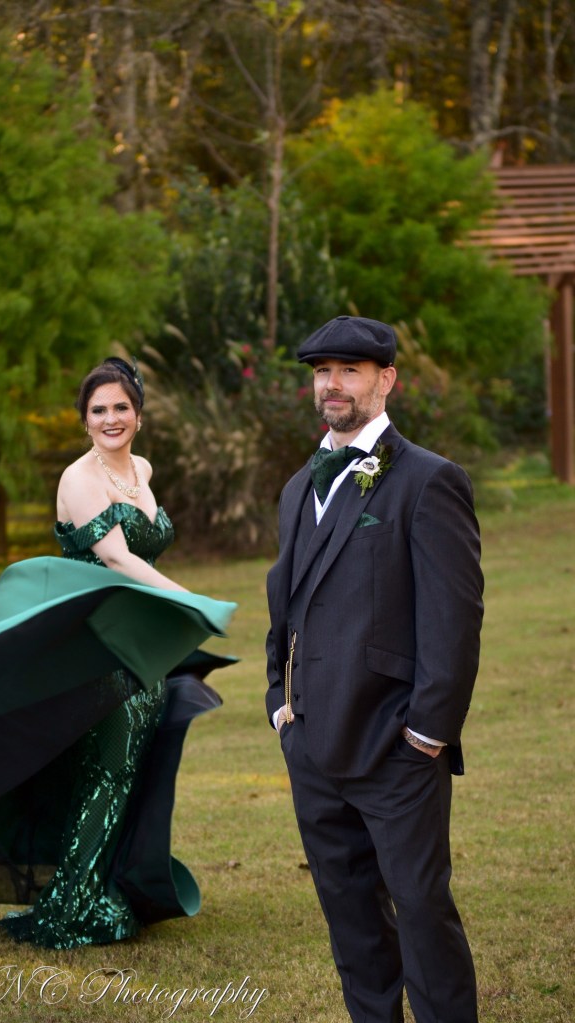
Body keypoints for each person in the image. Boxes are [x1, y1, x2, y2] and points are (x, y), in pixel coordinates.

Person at [0, 357, 236, 949]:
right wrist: (192, 601)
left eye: (121, 407)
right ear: (84, 420)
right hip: (95, 650)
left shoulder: (141, 470)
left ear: (139, 415)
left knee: (126, 770)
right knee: (107, 770)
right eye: (98, 410)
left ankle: (97, 885)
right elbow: (119, 559)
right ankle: (74, 906)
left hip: (141, 643)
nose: (110, 418)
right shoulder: (78, 480)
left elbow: (142, 553)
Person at [265, 316, 484, 1023]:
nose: (331, 384)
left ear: (385, 379)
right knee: (352, 924)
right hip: (312, 746)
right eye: (321, 371)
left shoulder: (428, 480)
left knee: (422, 915)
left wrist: (427, 734)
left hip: (396, 749)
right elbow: (286, 603)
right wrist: (279, 704)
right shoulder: (298, 488)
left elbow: (454, 620)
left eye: (349, 370)